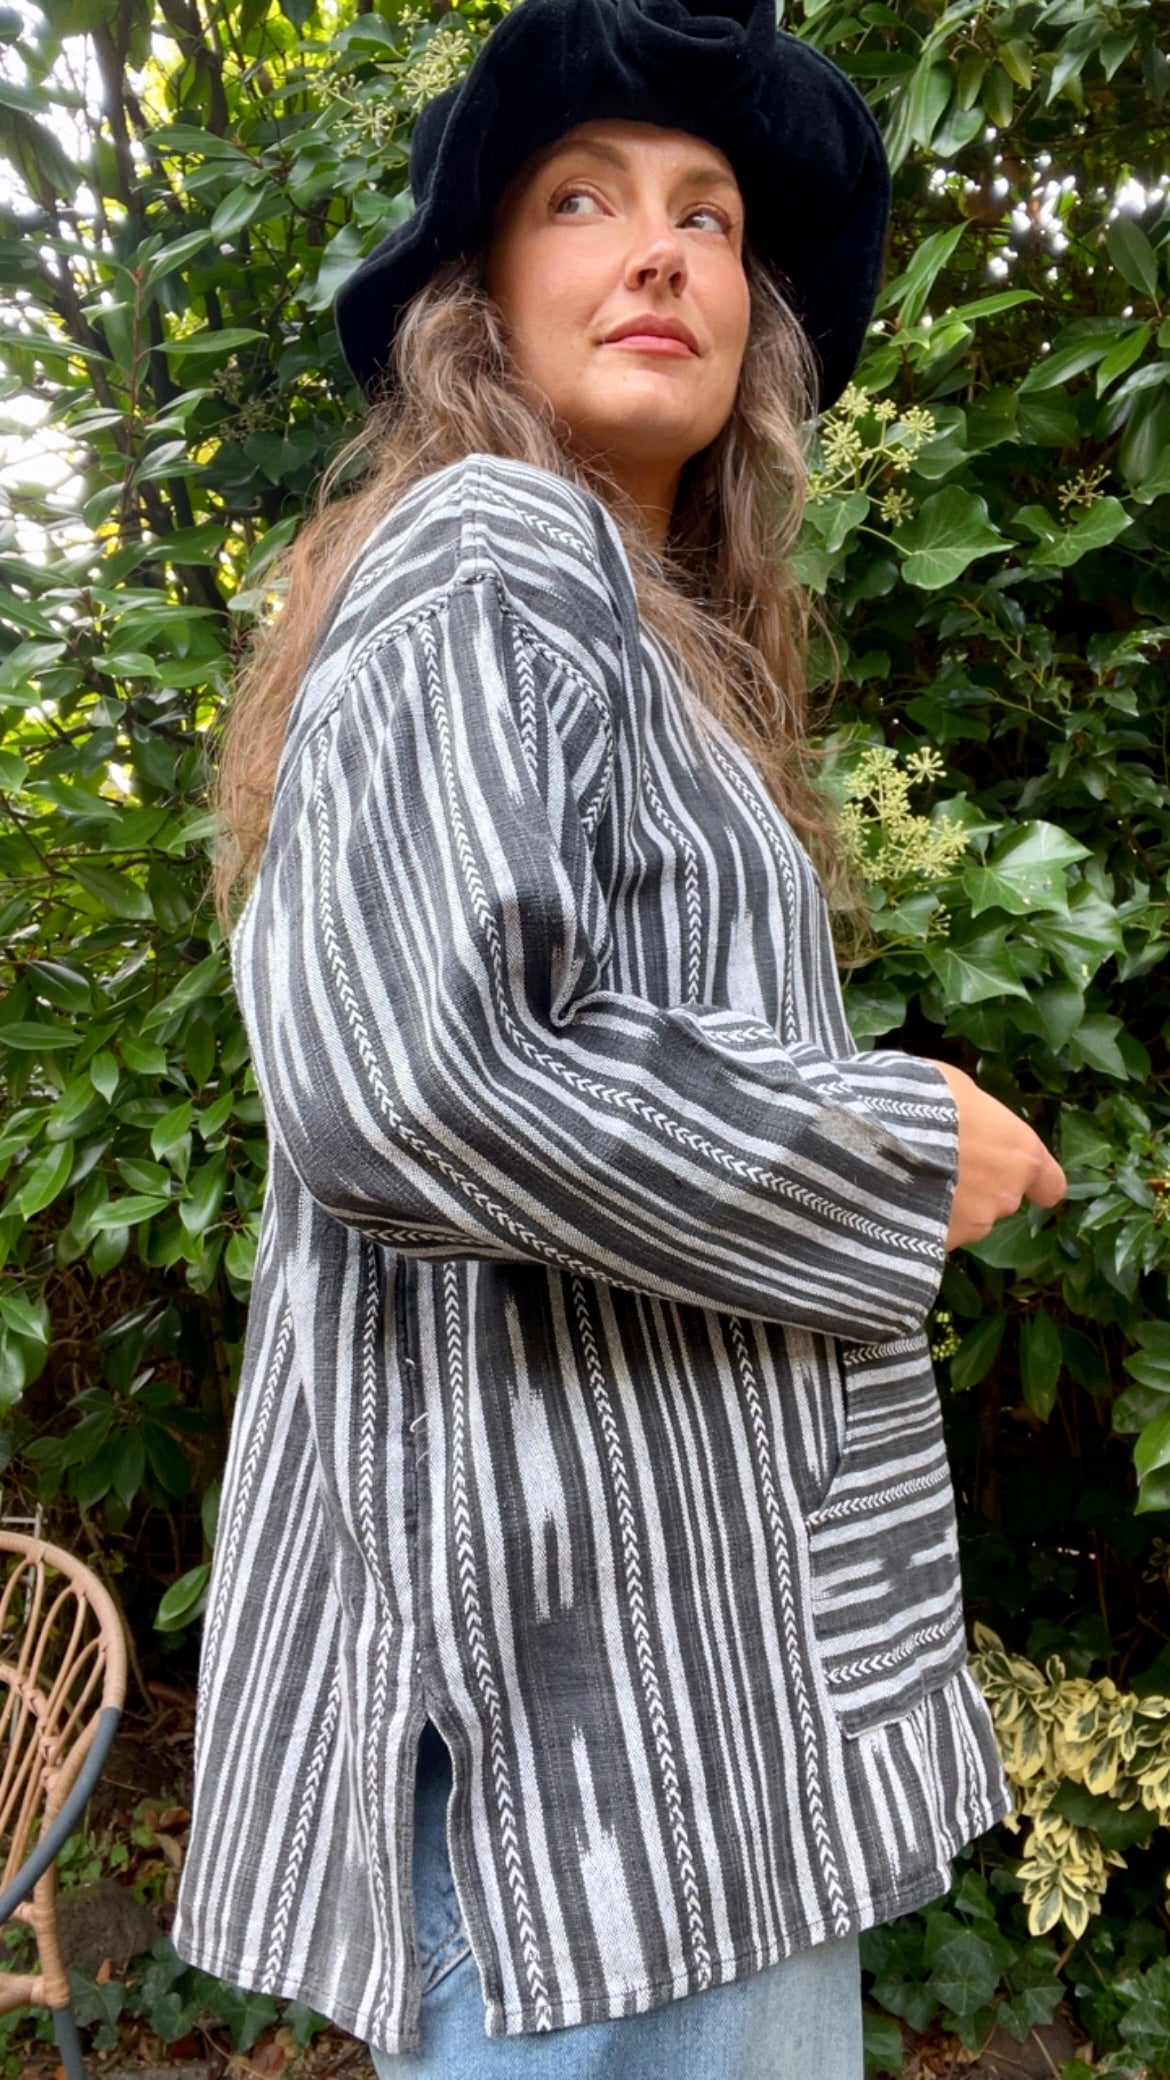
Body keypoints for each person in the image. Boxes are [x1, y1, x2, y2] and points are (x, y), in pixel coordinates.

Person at [170, 0, 1067, 2072]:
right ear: (479, 297)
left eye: (708, 215)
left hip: (678, 1756)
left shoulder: (637, 633)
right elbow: (408, 1075)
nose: (659, 247)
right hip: (592, 1794)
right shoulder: (500, 537)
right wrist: (894, 1146)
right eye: (581, 200)